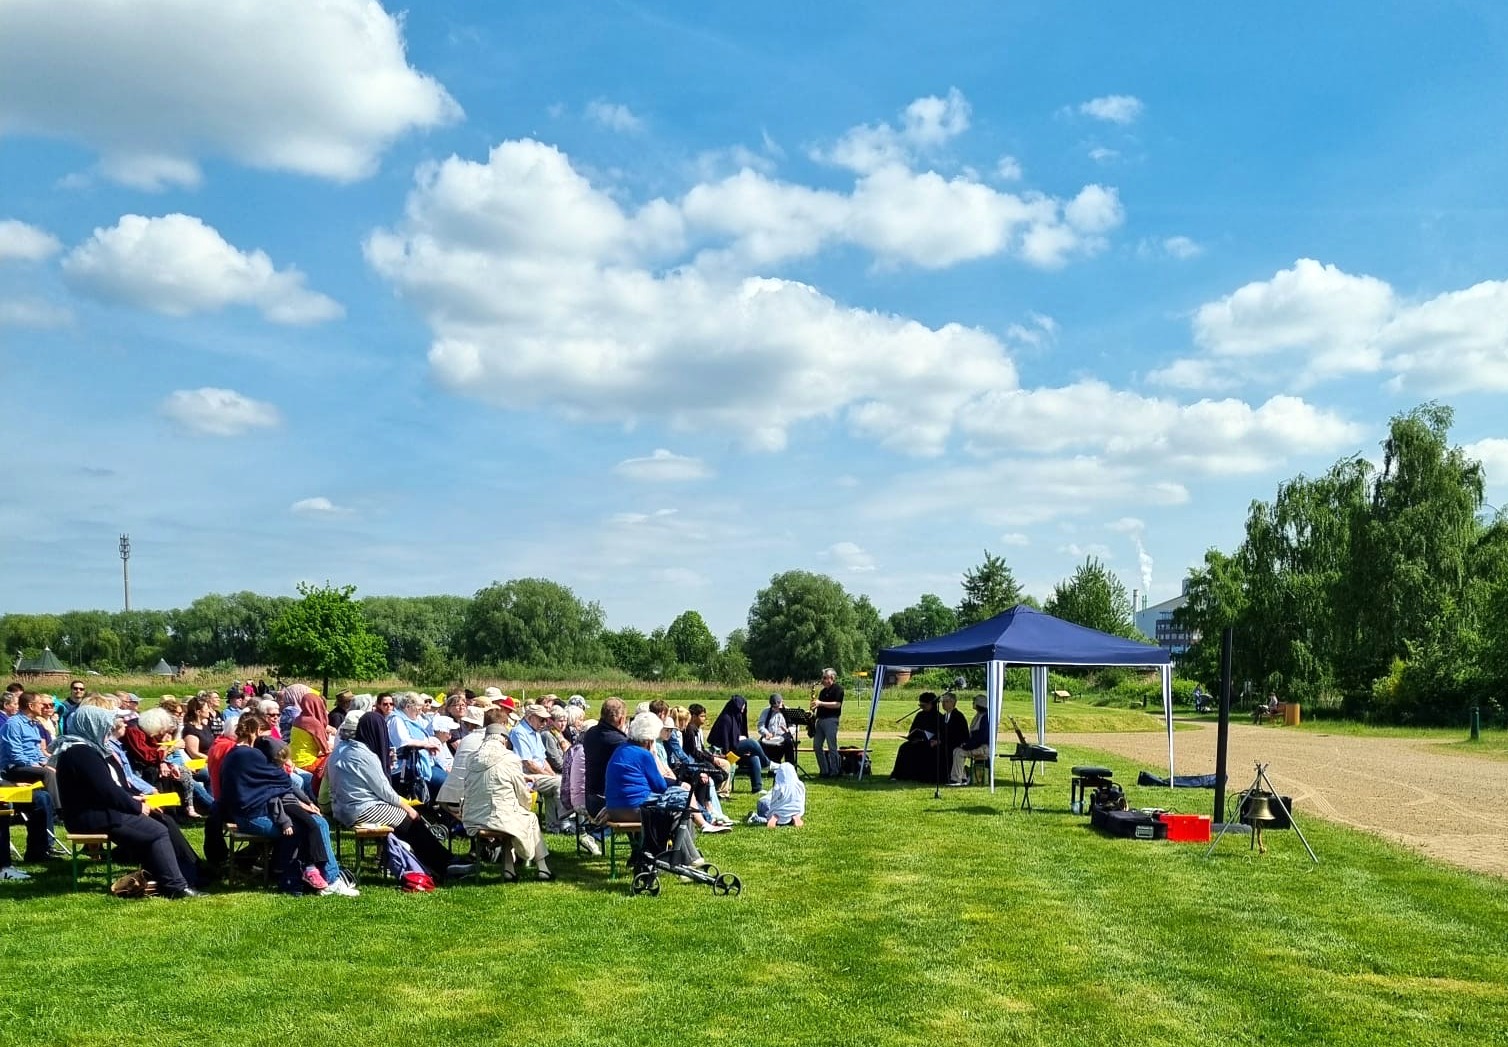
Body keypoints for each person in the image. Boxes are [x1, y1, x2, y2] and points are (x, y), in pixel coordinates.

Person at [51, 705, 203, 898]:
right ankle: (176, 887)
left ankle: (174, 876)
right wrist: (137, 806)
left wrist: (134, 799)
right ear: (92, 725)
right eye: (103, 725)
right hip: (92, 817)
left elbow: (107, 789)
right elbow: (107, 790)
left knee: (158, 822)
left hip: (98, 811)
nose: (107, 730)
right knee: (157, 831)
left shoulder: (82, 750)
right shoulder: (81, 753)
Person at [327, 711, 474, 884]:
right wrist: (408, 809)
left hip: (343, 807)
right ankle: (444, 864)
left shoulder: (341, 749)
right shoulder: (363, 755)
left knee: (409, 819)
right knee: (412, 821)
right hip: (361, 809)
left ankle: (438, 861)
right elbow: (385, 791)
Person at [220, 714, 354, 896]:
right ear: (256, 732)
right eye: (265, 737)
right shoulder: (248, 755)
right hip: (252, 816)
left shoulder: (238, 753)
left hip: (255, 811)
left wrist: (302, 802)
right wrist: (301, 803)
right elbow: (279, 780)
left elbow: (275, 783)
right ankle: (324, 877)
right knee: (306, 827)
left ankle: (316, 873)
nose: (266, 742)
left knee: (313, 824)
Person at [604, 712, 704, 870]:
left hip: (614, 808)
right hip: (635, 809)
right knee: (681, 807)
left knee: (678, 803)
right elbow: (660, 786)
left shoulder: (621, 749)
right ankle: (689, 858)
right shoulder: (644, 755)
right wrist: (677, 783)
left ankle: (687, 857)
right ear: (649, 739)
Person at [461, 723, 553, 881]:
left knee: (508, 818)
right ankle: (543, 868)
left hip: (472, 818)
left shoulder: (471, 758)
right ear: (504, 740)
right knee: (528, 818)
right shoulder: (510, 759)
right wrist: (525, 804)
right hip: (498, 817)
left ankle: (508, 870)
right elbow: (522, 793)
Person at [2, 691, 61, 809]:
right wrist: (37, 765)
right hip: (14, 768)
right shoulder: (14, 724)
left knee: (60, 767)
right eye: (40, 703)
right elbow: (15, 754)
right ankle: (58, 812)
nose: (43, 707)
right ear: (31, 706)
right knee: (47, 773)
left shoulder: (33, 724)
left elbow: (37, 750)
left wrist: (45, 762)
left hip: (30, 765)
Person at [510, 704, 564, 832]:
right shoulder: (518, 732)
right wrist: (549, 776)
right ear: (530, 718)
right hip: (526, 776)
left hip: (537, 774)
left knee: (556, 782)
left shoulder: (536, 733)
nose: (544, 723)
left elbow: (542, 759)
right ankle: (567, 821)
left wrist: (551, 774)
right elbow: (528, 763)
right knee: (559, 783)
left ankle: (553, 826)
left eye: (546, 720)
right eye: (541, 719)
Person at [708, 695, 770, 793]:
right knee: (752, 743)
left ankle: (757, 788)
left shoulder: (738, 718)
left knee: (754, 757)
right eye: (742, 707)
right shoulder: (726, 719)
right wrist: (739, 741)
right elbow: (726, 743)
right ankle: (767, 763)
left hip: (735, 748)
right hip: (725, 751)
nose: (743, 709)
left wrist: (744, 749)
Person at [581, 697, 628, 816]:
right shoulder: (620, 742)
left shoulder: (590, 733)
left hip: (590, 799)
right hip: (608, 803)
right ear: (621, 720)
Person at [890, 692, 948, 783]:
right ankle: (899, 774)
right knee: (904, 747)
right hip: (918, 741)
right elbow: (913, 730)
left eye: (924, 705)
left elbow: (942, 734)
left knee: (926, 750)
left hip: (931, 743)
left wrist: (934, 740)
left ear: (931, 704)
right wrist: (913, 738)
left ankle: (921, 775)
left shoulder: (939, 717)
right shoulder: (920, 715)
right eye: (920, 705)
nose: (922, 707)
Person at [949, 695, 993, 786]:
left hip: (983, 747)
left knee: (959, 752)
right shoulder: (979, 716)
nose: (973, 703)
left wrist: (967, 745)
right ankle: (962, 777)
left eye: (975, 702)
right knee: (957, 750)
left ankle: (957, 779)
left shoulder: (985, 719)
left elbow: (981, 738)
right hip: (977, 745)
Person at [287, 688, 333, 773]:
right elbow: (325, 750)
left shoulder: (297, 720)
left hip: (294, 760)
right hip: (308, 763)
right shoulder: (314, 723)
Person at [812, 668, 844, 778]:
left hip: (831, 720)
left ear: (832, 678)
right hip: (820, 720)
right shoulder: (822, 691)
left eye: (825, 678)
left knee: (832, 746)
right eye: (823, 677)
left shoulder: (838, 689)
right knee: (816, 746)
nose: (823, 680)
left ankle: (835, 771)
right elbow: (820, 706)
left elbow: (837, 704)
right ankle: (824, 771)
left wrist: (820, 703)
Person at [753, 761, 806, 828]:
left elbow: (774, 802)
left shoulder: (779, 787)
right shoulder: (800, 785)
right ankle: (795, 817)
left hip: (778, 810)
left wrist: (772, 812)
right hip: (796, 809)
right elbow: (802, 800)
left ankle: (769, 818)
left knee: (763, 803)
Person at [756, 693, 798, 765]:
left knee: (789, 743)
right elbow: (760, 725)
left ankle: (790, 766)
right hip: (770, 738)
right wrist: (766, 733)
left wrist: (788, 731)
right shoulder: (766, 711)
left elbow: (794, 726)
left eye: (778, 707)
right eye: (774, 707)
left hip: (784, 738)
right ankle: (770, 765)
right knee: (758, 745)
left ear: (782, 702)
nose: (777, 709)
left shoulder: (788, 711)